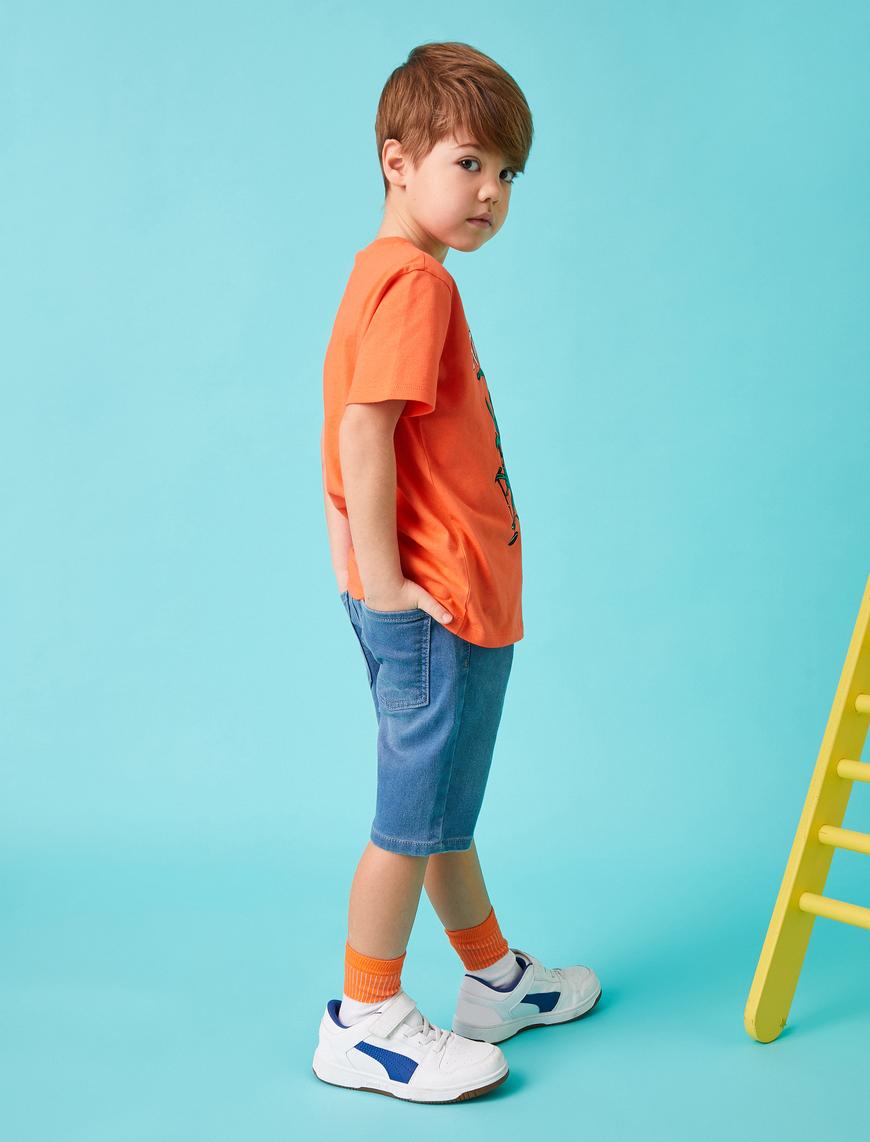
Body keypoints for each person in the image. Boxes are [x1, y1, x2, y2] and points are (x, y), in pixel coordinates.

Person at [313, 41, 601, 1104]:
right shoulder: (417, 284)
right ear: (398, 160)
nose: (490, 192)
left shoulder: (382, 273)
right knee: (410, 817)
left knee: (439, 808)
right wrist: (387, 583)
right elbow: (363, 429)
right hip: (434, 602)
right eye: (469, 162)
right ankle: (366, 1018)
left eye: (507, 173)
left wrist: (357, 566)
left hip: (441, 598)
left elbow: (348, 427)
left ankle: (493, 979)